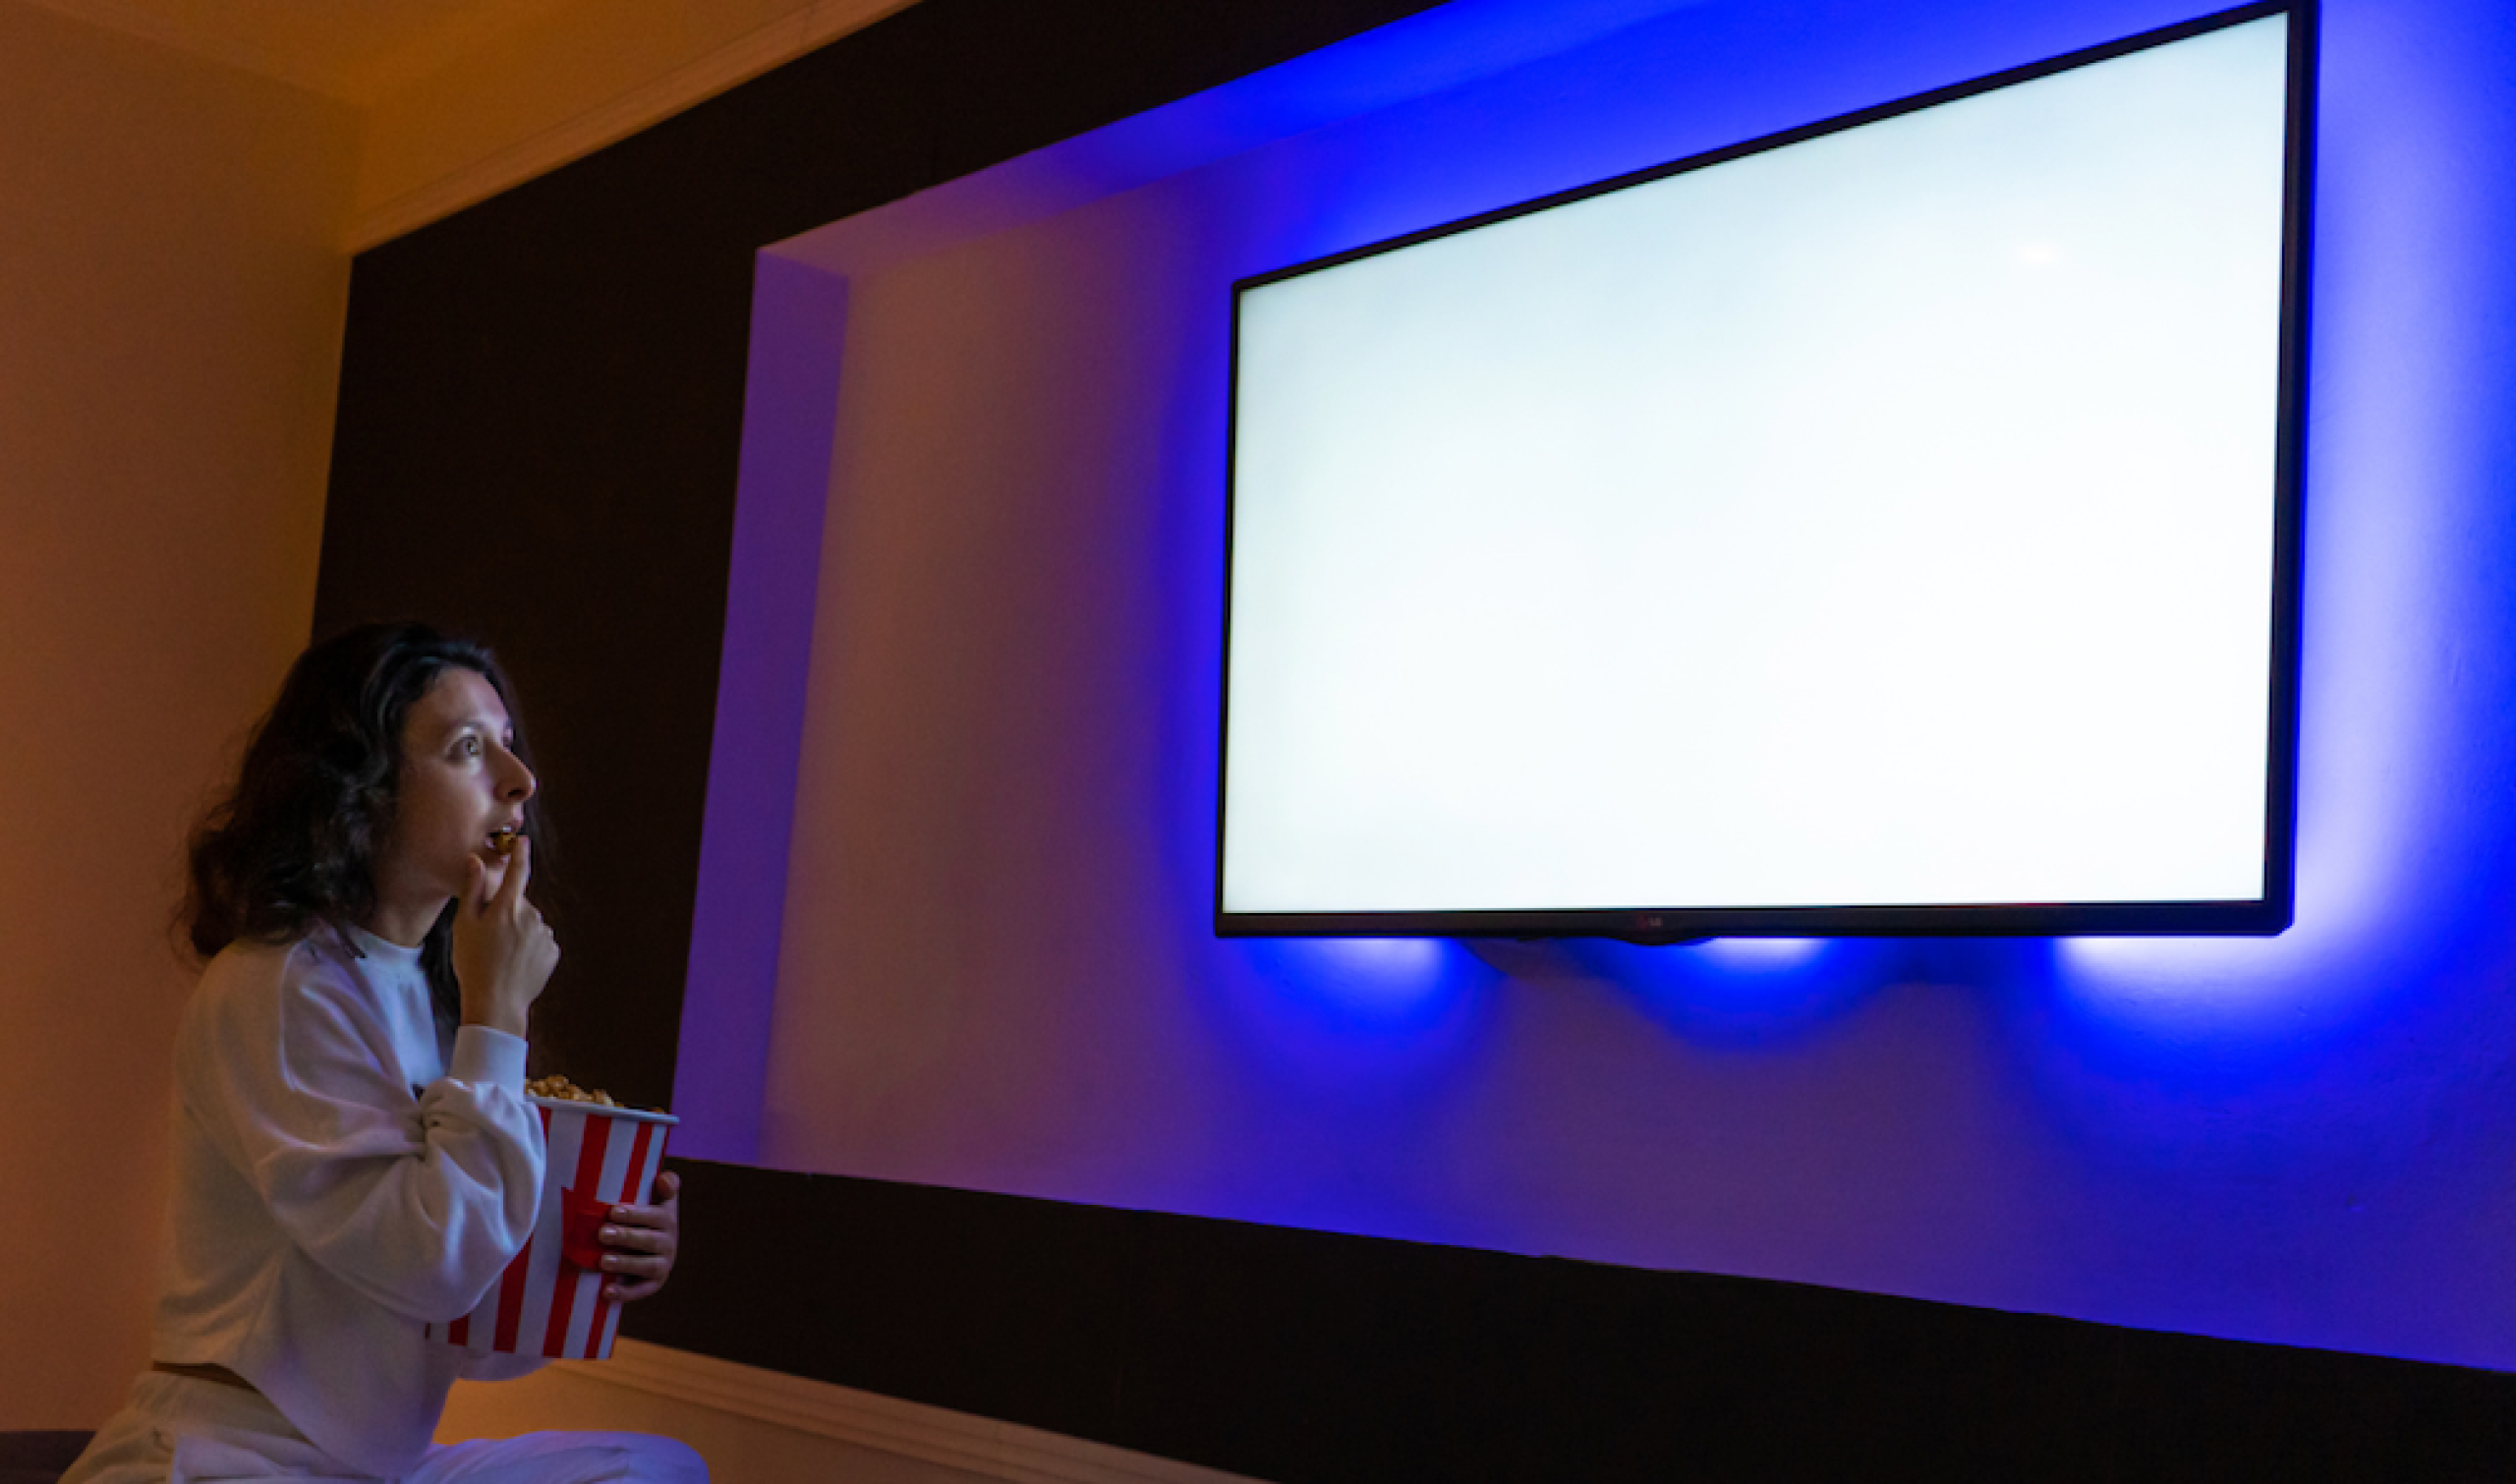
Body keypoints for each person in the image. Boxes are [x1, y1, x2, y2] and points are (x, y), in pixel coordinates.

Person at [62, 622, 706, 1483]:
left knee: (659, 1470)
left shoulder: (437, 1004)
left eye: (509, 748)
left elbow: (465, 1321)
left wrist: (599, 1260)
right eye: (468, 749)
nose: (520, 783)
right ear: (362, 788)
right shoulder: (280, 985)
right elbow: (433, 1269)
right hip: (243, 1457)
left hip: (380, 1467)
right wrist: (498, 1016)